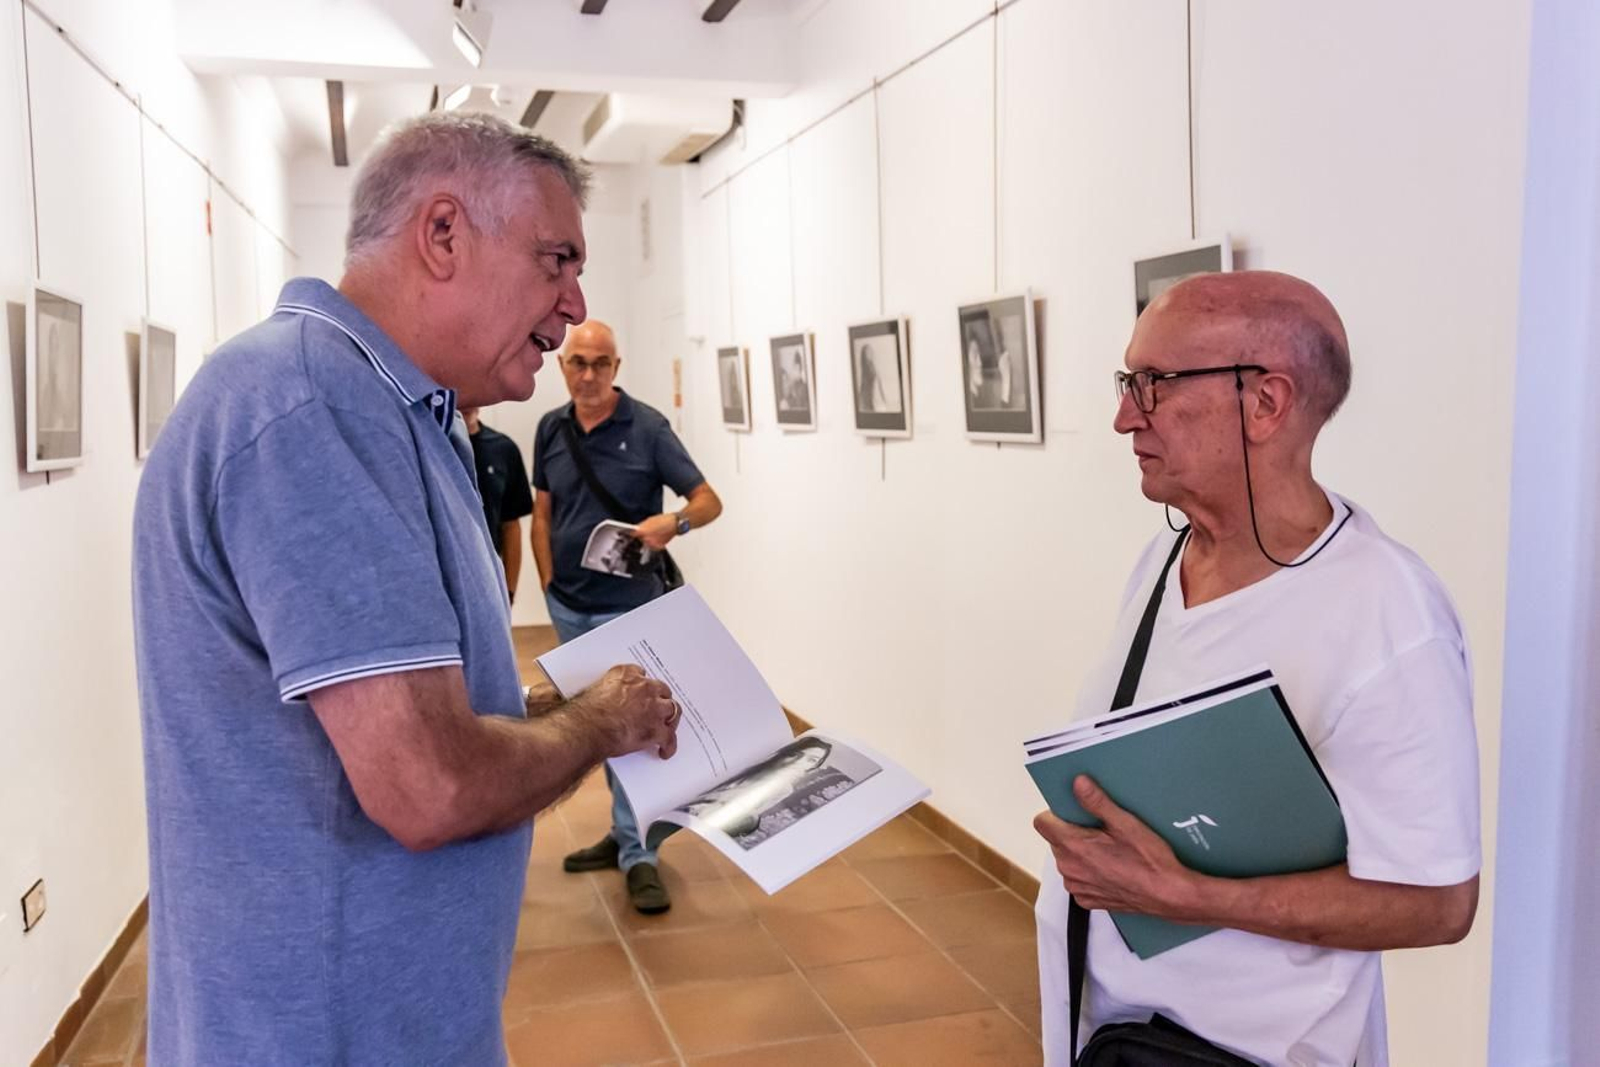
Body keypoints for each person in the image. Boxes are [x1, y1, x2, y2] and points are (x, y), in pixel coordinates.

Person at [131, 112, 682, 1065]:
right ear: (442, 233)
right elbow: (429, 785)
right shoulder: (311, 408)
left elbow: (411, 713)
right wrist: (598, 725)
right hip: (323, 1035)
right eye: (555, 260)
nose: (574, 303)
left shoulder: (395, 415)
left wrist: (562, 705)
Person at [1033, 271, 1480, 1066]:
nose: (1124, 416)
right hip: (1116, 1038)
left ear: (1266, 402)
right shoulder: (1165, 556)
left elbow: (1439, 904)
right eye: (1127, 382)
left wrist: (1190, 897)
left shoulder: (1388, 614)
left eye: (1154, 383)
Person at [532, 319, 723, 914]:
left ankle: (642, 854)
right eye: (578, 362)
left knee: (638, 733)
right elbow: (543, 512)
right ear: (563, 366)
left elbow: (708, 501)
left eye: (600, 363)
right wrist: (548, 582)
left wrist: (674, 522)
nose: (588, 375)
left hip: (631, 608)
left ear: (616, 368)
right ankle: (622, 835)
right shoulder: (550, 427)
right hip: (570, 604)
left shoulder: (647, 428)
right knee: (594, 728)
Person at [462, 405, 533, 601]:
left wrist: (509, 592)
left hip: (489, 579)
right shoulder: (431, 447)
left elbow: (510, 525)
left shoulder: (503, 449)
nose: (467, 402)